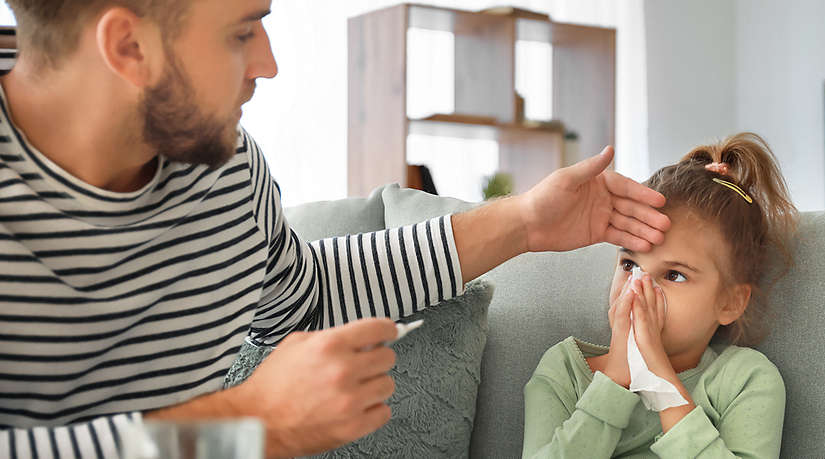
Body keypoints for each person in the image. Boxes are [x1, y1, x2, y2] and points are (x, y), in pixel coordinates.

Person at [0, 0, 673, 457]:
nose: (267, 64)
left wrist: (524, 221)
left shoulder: (225, 171)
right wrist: (245, 425)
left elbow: (306, 294)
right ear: (128, 46)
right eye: (241, 31)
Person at [522, 133, 798, 458]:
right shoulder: (566, 370)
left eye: (674, 275)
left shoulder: (745, 380)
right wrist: (615, 380)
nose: (638, 288)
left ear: (730, 302)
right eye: (629, 263)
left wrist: (662, 386)